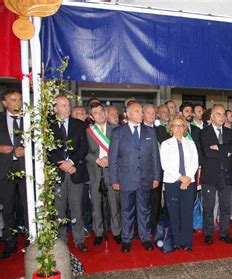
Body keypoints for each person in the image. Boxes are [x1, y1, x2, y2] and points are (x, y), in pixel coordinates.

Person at [109, 101, 161, 253]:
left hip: (145, 178)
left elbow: (155, 157)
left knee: (144, 210)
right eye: (138, 111)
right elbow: (113, 159)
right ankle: (127, 239)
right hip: (126, 179)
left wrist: (156, 177)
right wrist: (114, 180)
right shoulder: (118, 132)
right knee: (126, 211)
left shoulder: (150, 132)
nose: (141, 114)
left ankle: (145, 238)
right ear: (128, 114)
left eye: (141, 111)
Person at [49, 95, 90, 252]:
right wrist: (62, 164)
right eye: (63, 105)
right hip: (58, 173)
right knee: (59, 208)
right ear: (55, 108)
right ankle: (61, 240)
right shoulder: (48, 126)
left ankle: (79, 239)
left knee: (76, 207)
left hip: (75, 171)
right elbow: (47, 149)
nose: (67, 108)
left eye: (68, 105)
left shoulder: (79, 124)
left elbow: (83, 147)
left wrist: (71, 162)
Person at [200, 105, 232, 245]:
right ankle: (208, 233)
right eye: (218, 114)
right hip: (210, 175)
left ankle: (224, 233)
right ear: (211, 117)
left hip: (226, 175)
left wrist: (219, 148)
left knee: (225, 207)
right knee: (209, 207)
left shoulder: (230, 132)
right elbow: (208, 153)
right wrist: (226, 152)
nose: (222, 117)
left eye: (223, 114)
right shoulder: (204, 133)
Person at [160, 116, 199, 251]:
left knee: (187, 213)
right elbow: (165, 165)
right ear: (171, 128)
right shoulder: (165, 144)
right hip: (172, 182)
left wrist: (187, 178)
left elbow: (195, 163)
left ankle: (187, 242)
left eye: (181, 125)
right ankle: (176, 241)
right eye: (175, 125)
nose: (178, 128)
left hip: (189, 182)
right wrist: (180, 178)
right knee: (174, 213)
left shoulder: (191, 143)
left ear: (185, 128)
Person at [85, 102, 122, 246]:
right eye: (96, 113)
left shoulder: (116, 130)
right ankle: (99, 233)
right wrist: (96, 160)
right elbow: (84, 152)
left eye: (101, 111)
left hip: (112, 172)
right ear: (91, 116)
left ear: (105, 113)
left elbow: (121, 151)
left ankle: (117, 232)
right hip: (95, 172)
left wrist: (109, 159)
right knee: (96, 205)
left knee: (114, 204)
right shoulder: (88, 132)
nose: (99, 115)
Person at [0, 90, 27, 259]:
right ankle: (10, 242)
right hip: (5, 169)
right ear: (5, 103)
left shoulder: (29, 119)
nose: (17, 102)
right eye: (13, 100)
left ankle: (31, 240)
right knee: (8, 209)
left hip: (26, 169)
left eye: (20, 99)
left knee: (27, 206)